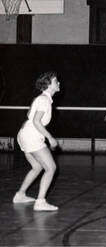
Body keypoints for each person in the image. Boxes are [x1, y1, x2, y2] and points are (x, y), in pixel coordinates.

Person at [13, 72, 60, 211]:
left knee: (37, 167)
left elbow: (29, 116)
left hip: (24, 134)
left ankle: (20, 195)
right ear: (48, 85)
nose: (59, 83)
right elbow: (36, 121)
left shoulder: (40, 99)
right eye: (56, 81)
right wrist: (50, 138)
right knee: (51, 168)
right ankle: (40, 202)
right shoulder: (44, 100)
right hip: (32, 136)